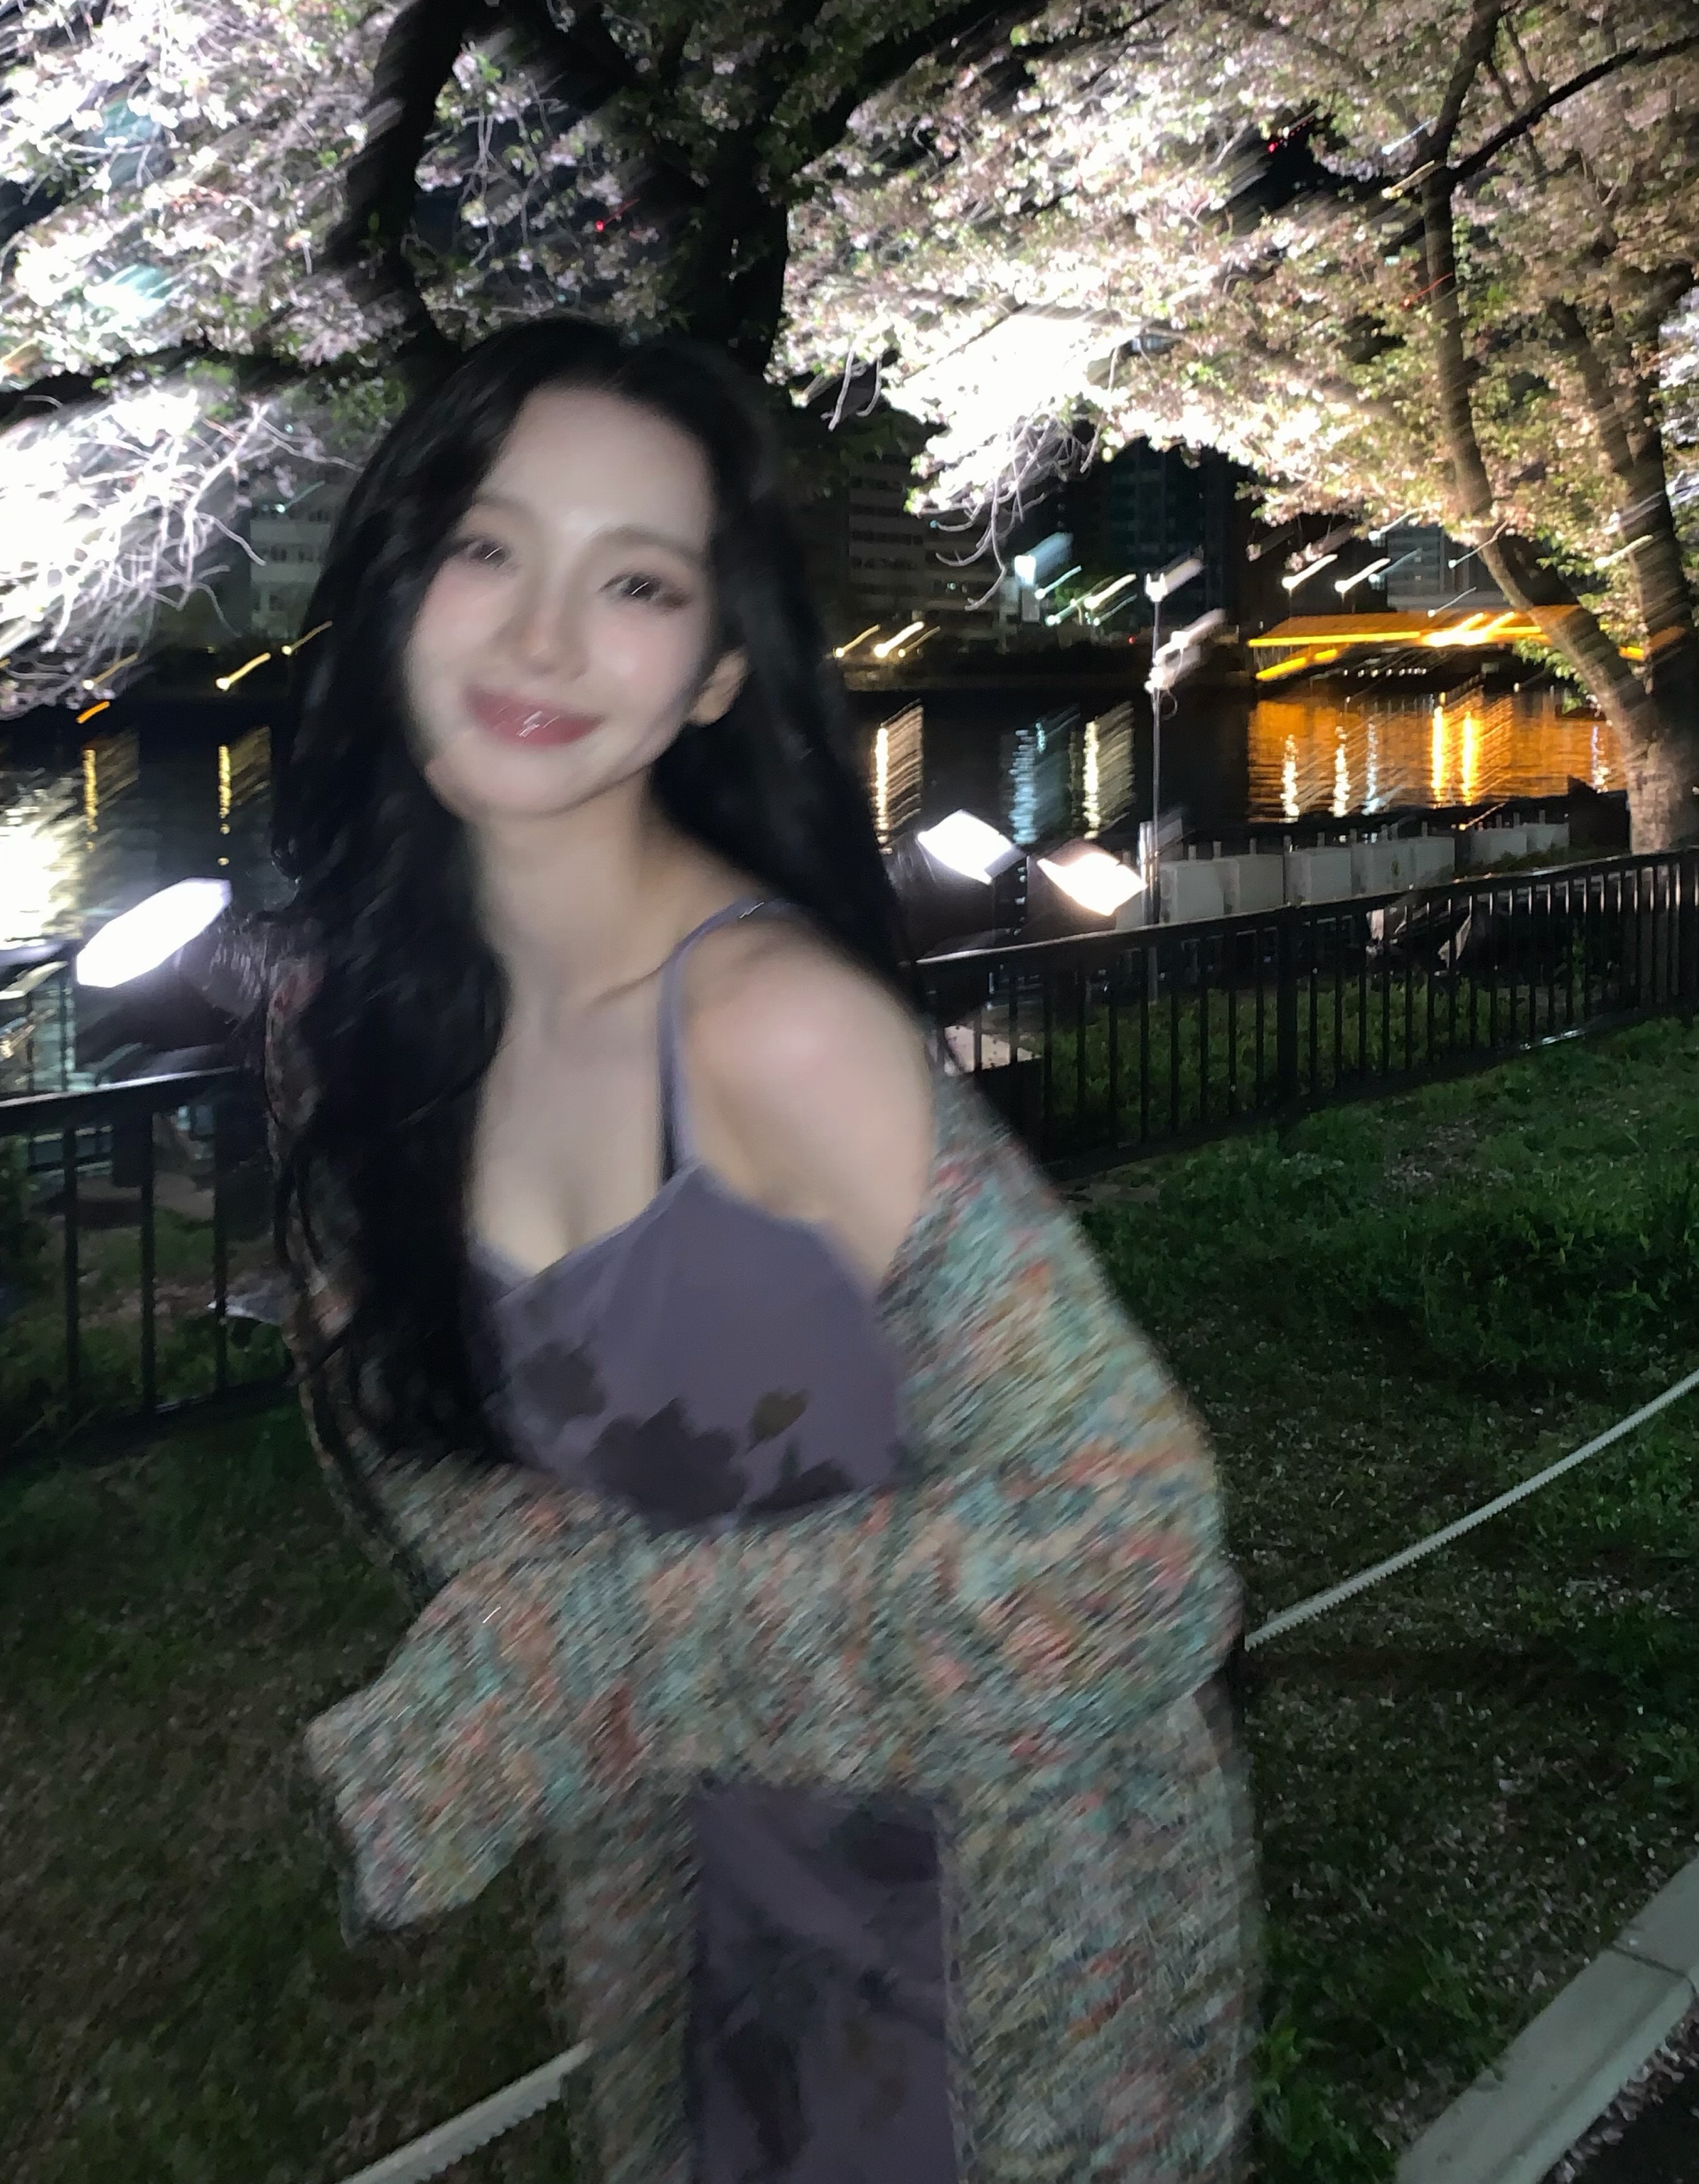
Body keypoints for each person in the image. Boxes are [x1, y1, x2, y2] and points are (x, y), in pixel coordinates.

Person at [262, 315, 1256, 2182]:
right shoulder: (355, 1026)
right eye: (485, 546)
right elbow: (420, 1425)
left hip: (1001, 1945)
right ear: (395, 580)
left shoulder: (776, 1033)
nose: (544, 636)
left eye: (636, 583)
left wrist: (590, 1666)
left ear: (719, 668)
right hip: (690, 1904)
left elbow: (1136, 1548)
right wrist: (583, 1655)